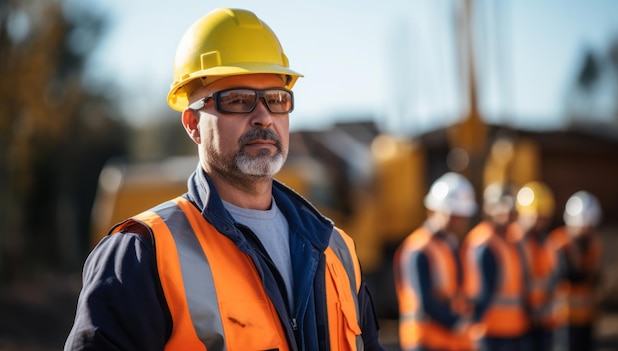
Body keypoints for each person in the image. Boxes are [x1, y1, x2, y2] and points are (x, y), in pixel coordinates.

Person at [64, 8, 383, 351]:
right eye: (237, 100)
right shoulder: (142, 253)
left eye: (276, 99)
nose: (264, 117)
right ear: (191, 124)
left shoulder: (338, 250)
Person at [394, 172, 479, 351]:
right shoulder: (419, 248)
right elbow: (424, 301)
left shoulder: (450, 245)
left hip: (449, 341)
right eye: (453, 215)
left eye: (461, 216)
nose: (458, 221)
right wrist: (457, 322)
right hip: (426, 341)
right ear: (434, 210)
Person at [461, 182, 530, 351]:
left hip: (516, 328)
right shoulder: (483, 243)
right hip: (490, 331)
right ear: (489, 210)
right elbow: (480, 293)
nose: (507, 214)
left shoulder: (514, 239)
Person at [509, 181, 560, 351]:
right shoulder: (512, 242)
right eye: (537, 217)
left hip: (543, 323)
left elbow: (552, 280)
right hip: (519, 324)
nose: (541, 223)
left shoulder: (547, 244)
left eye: (545, 218)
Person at [549, 191, 603, 351]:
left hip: (587, 316)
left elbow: (596, 277)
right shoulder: (560, 243)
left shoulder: (594, 243)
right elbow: (565, 275)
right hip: (565, 318)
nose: (588, 229)